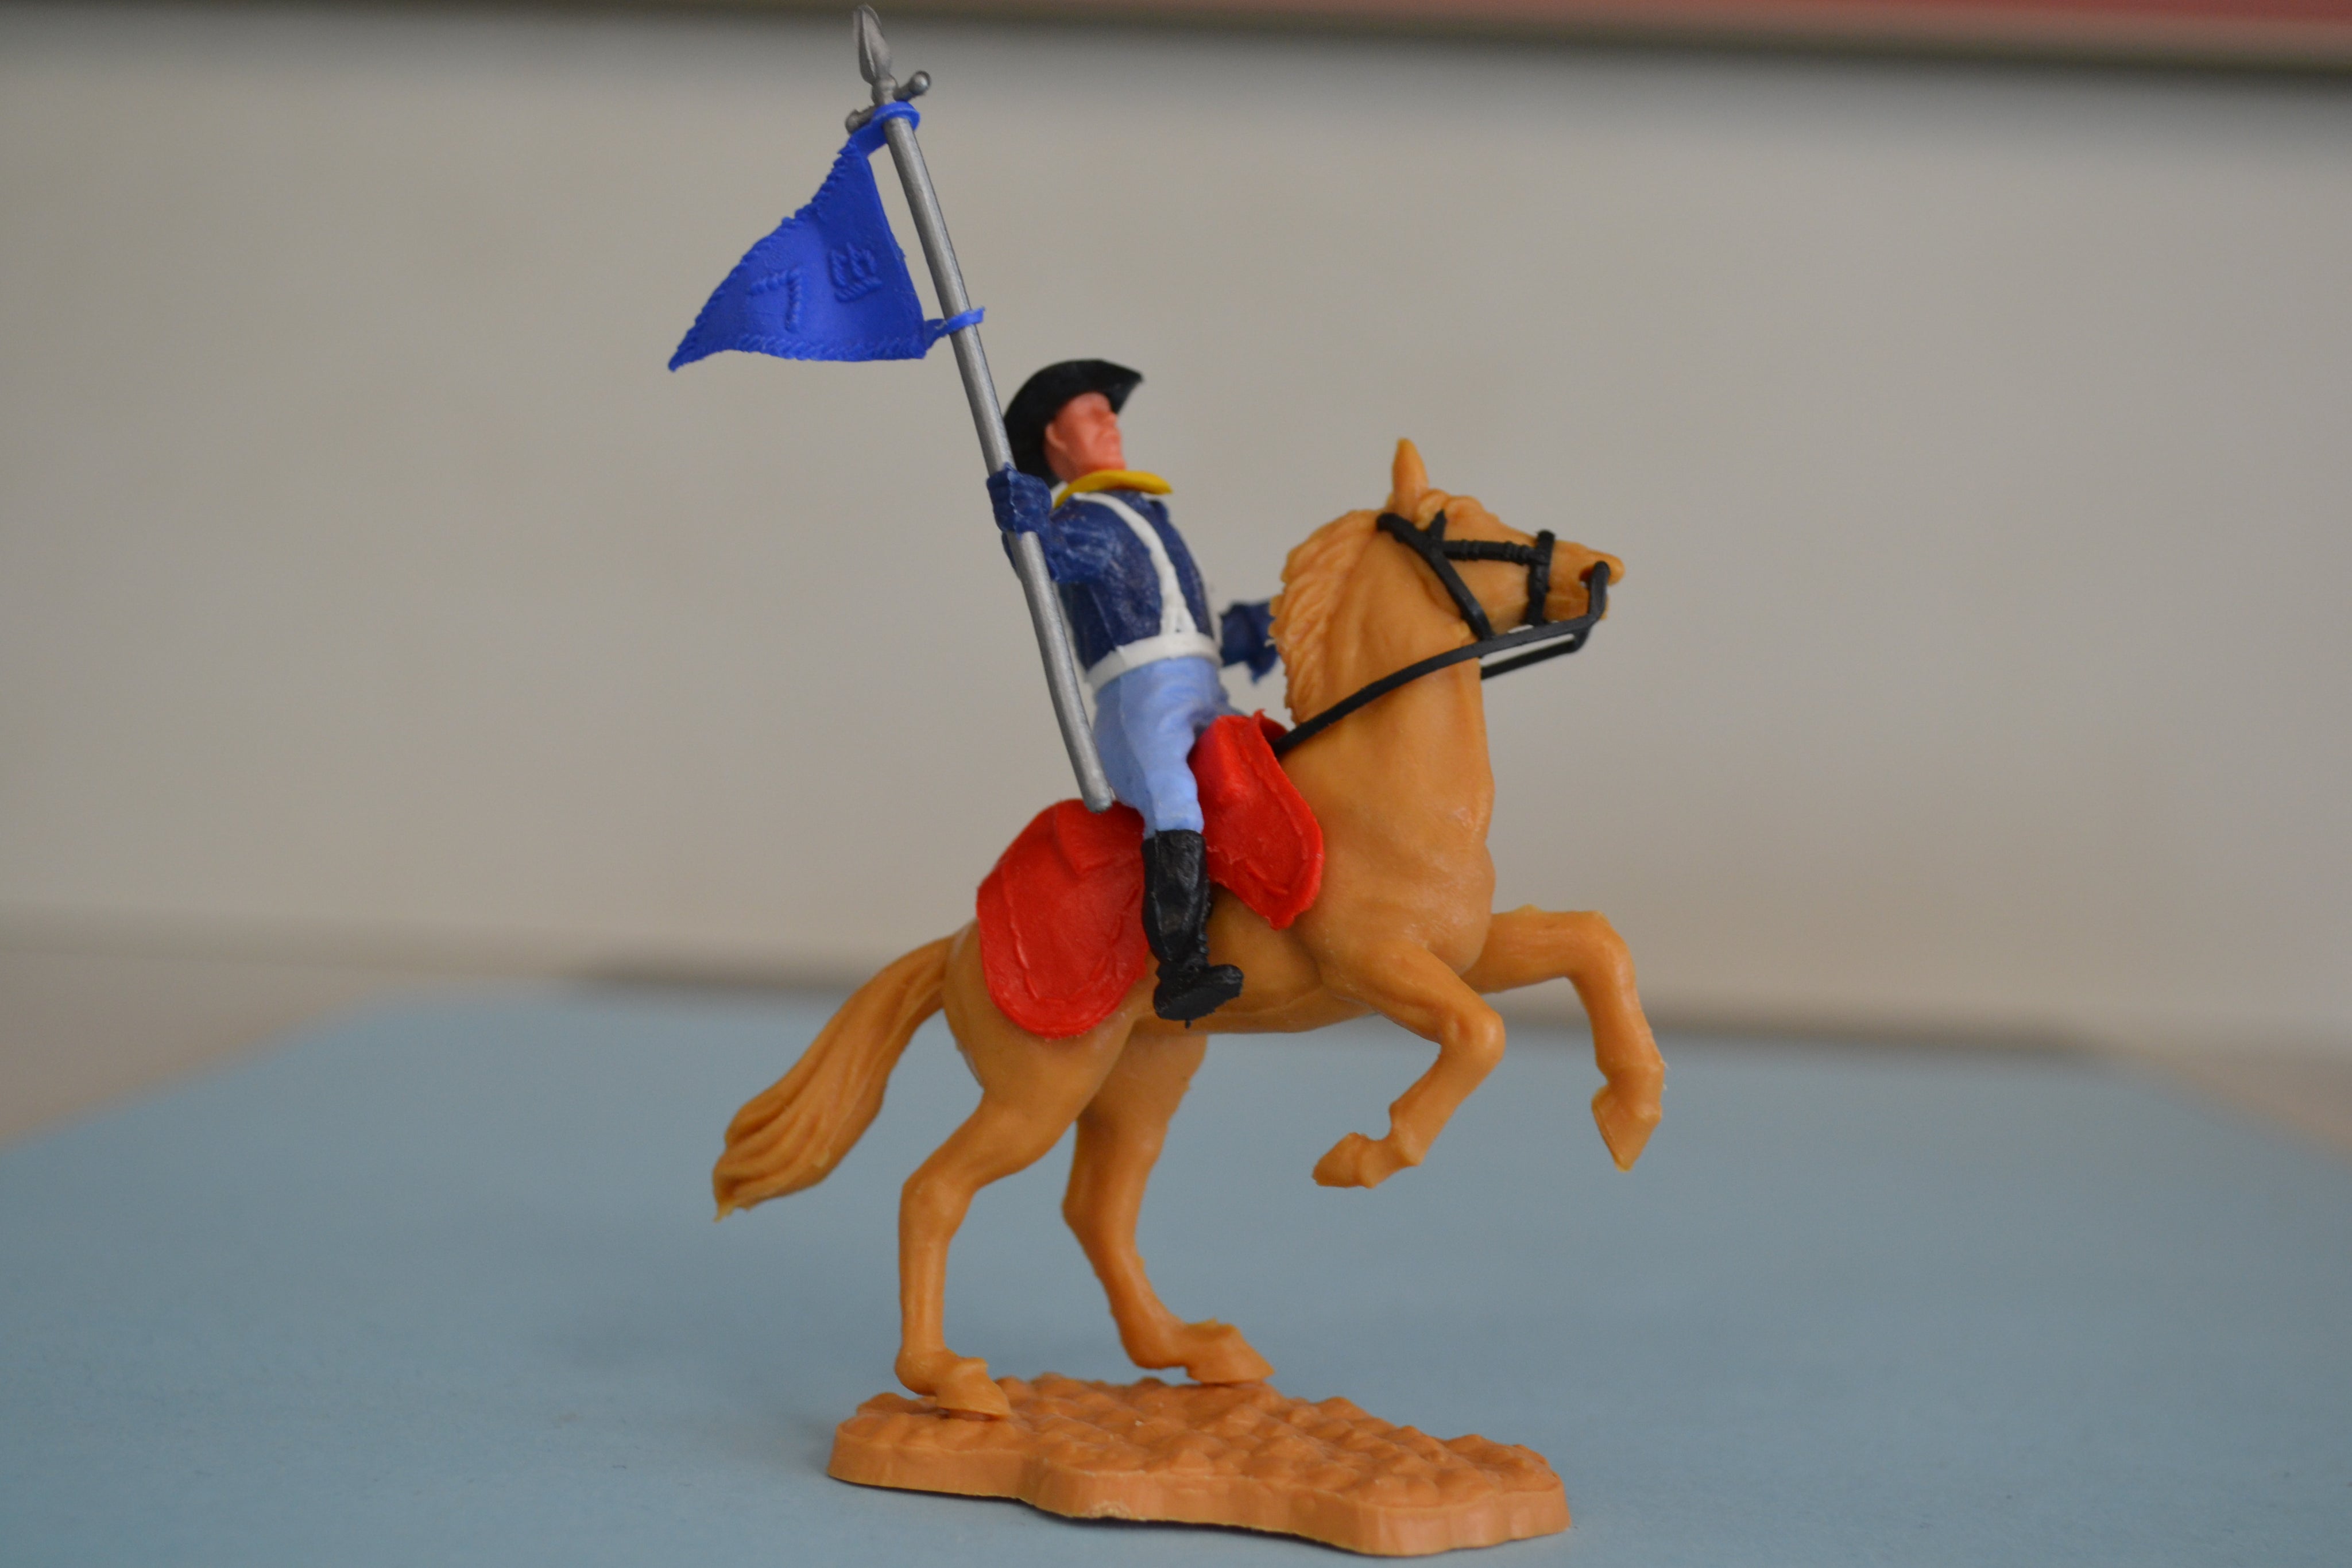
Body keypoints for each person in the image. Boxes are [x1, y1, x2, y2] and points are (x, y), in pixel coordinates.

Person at [986, 360, 1276, 1023]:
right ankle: (1182, 966)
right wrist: (1023, 522)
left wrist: (1257, 627)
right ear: (1055, 440)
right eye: (1091, 415)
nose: (1110, 423)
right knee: (1172, 796)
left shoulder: (1148, 515)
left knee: (1269, 763)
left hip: (1206, 687)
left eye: (1110, 412)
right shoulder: (1082, 522)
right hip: (1141, 700)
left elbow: (1182, 621)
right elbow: (1043, 557)